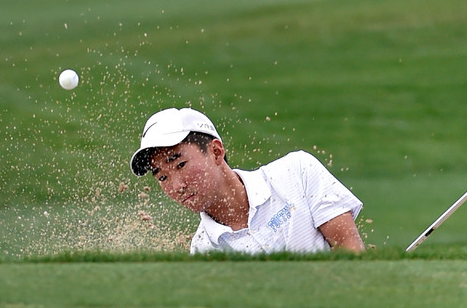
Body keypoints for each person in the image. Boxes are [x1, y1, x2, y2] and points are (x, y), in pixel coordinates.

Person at [130, 108, 365, 254]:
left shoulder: (297, 172)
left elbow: (350, 250)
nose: (177, 186)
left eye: (180, 165)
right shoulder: (204, 252)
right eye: (162, 177)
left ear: (216, 152)